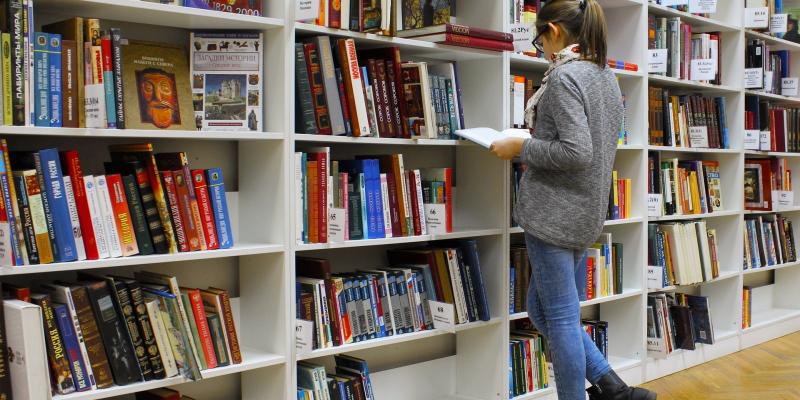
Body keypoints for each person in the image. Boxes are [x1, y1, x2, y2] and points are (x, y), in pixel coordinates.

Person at [490, 1, 657, 399]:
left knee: (561, 318)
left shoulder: (565, 78)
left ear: (556, 31)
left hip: (553, 213)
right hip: (584, 211)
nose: (540, 48)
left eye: (538, 39)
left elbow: (576, 152)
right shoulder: (605, 76)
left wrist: (521, 146)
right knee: (541, 311)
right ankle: (613, 387)